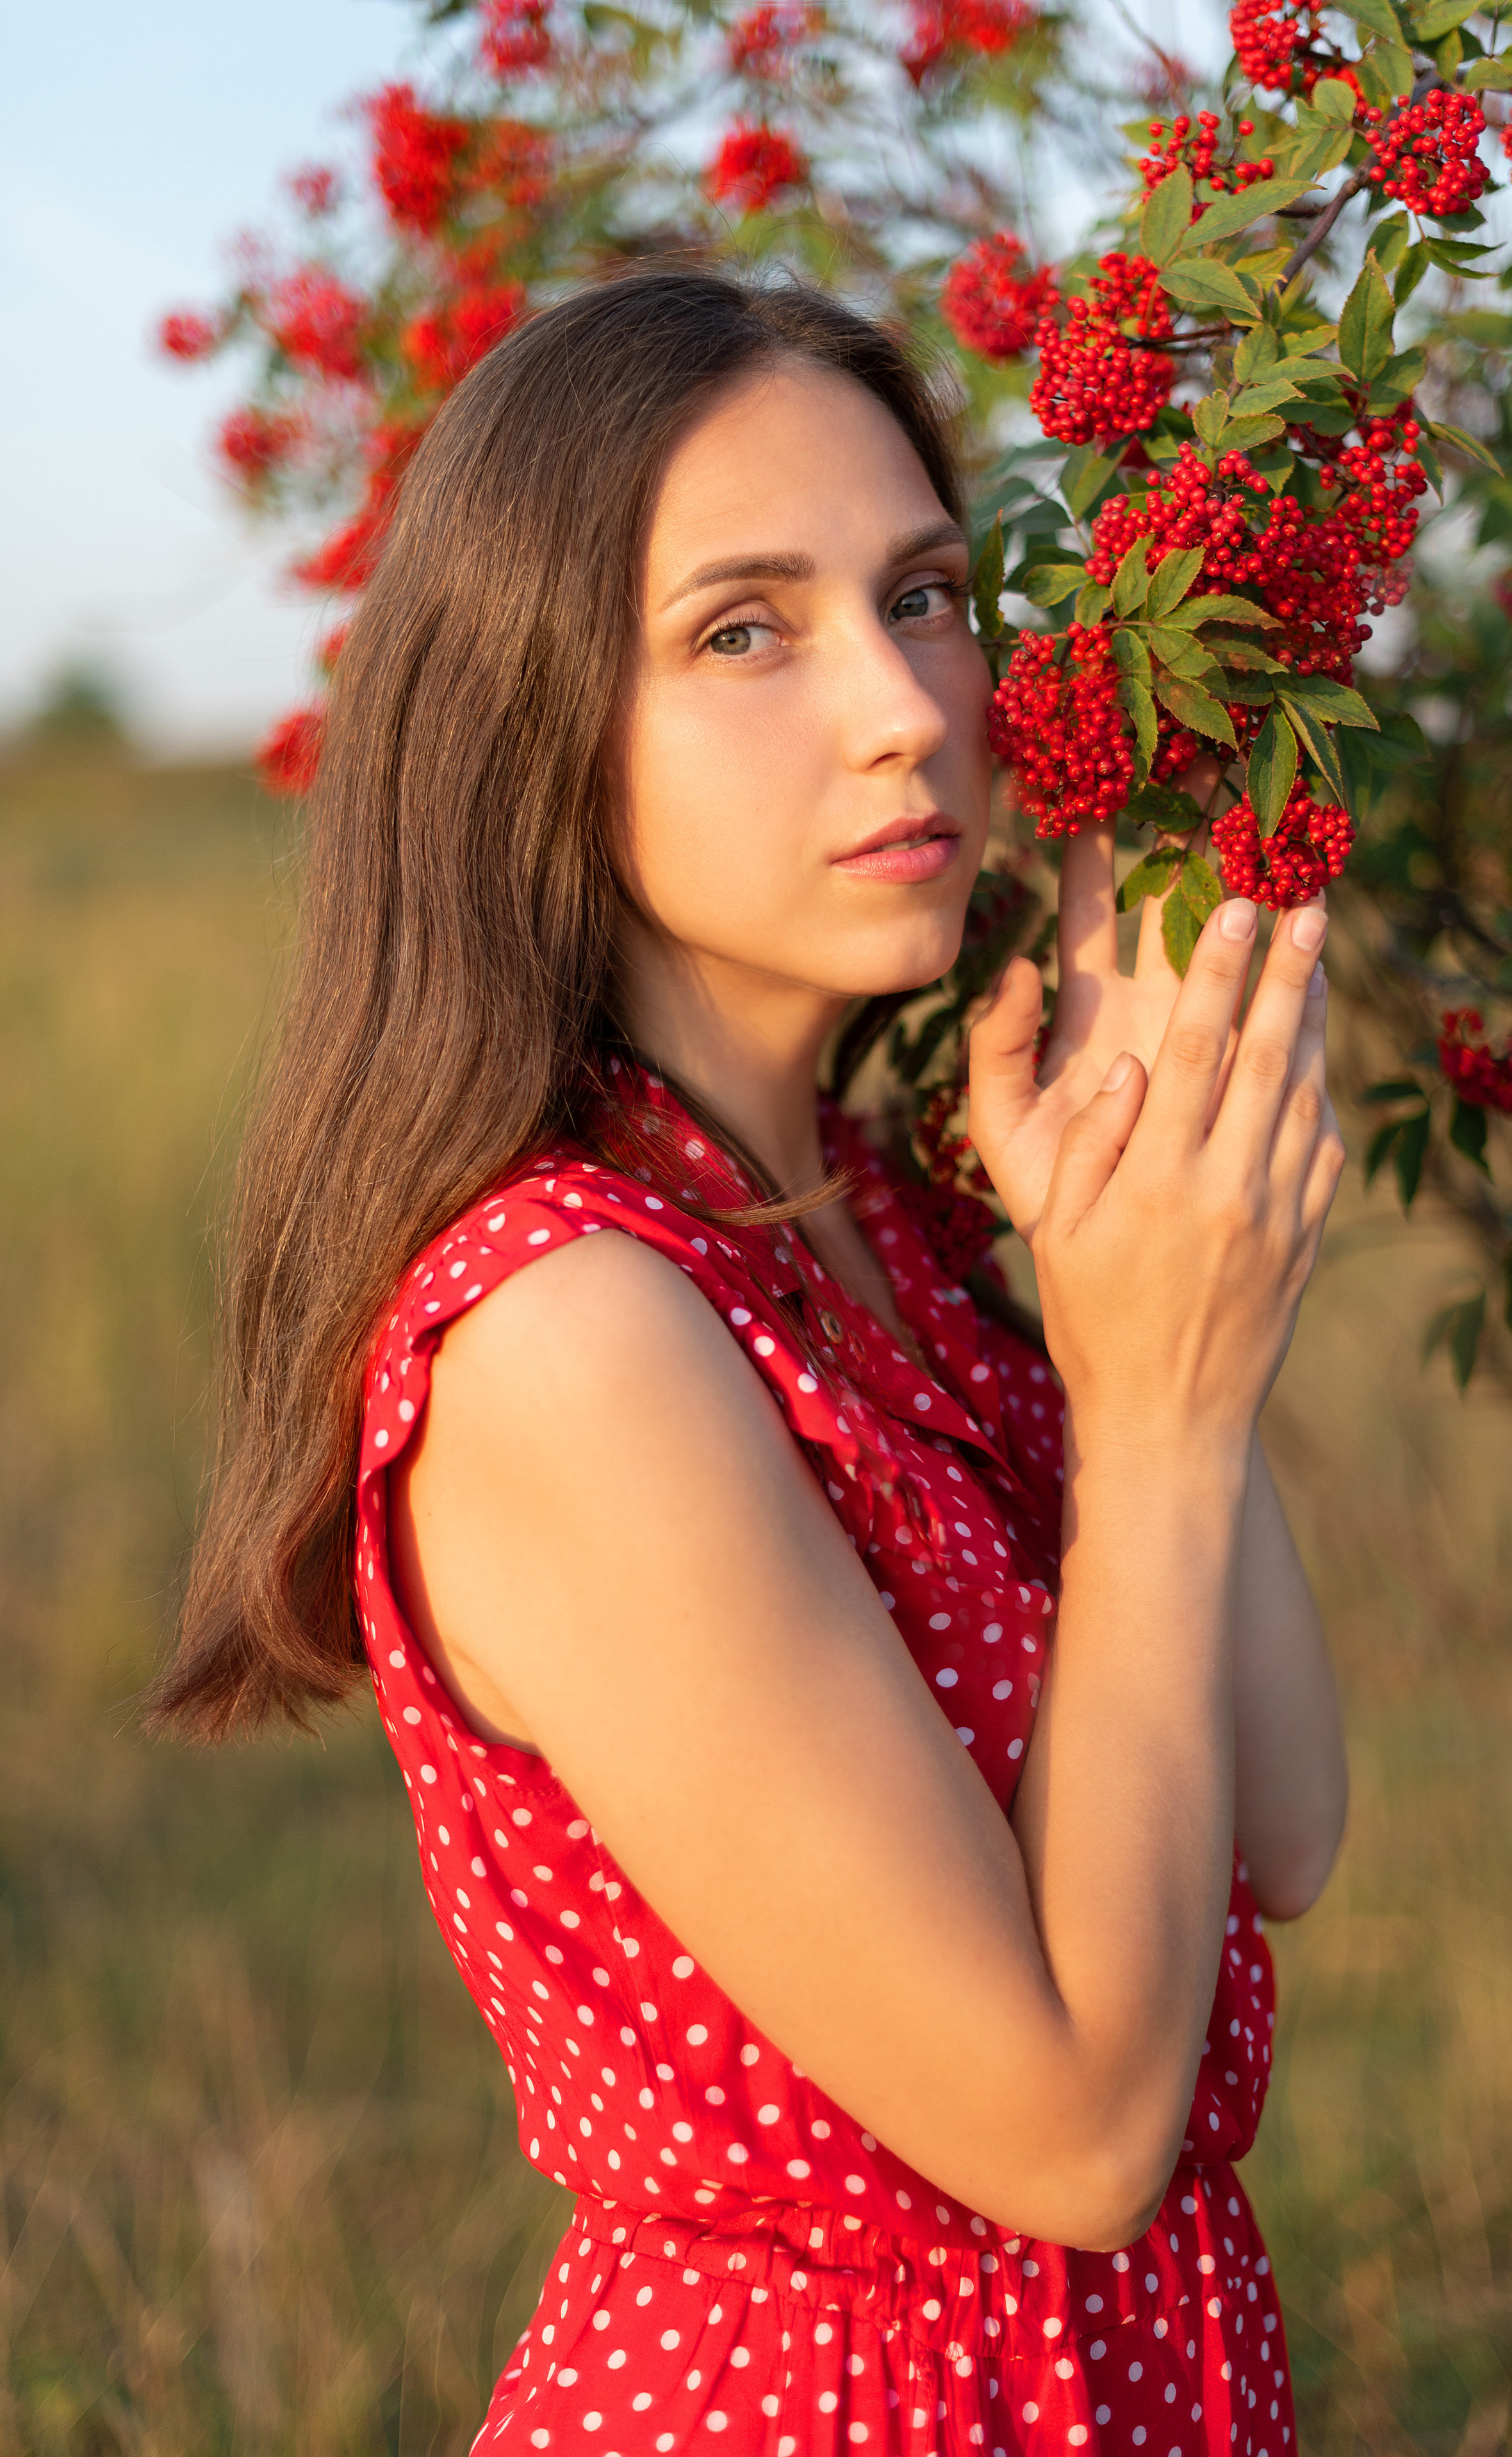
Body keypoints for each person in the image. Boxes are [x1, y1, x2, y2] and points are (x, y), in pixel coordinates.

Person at [154, 267, 1349, 2456]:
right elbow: (1081, 2130)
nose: (904, 709)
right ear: (534, 724)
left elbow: (1279, 1823)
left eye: (920, 596)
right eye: (744, 630)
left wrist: (1162, 1282)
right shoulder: (571, 1329)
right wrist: (1160, 1417)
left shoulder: (889, 1213)